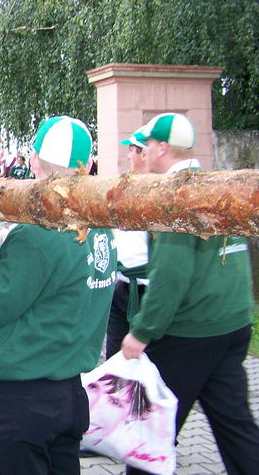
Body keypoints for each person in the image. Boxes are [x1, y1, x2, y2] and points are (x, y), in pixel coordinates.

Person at [0, 116, 117, 474]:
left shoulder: (39, 235)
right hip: (67, 399)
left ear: (33, 161)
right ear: (89, 165)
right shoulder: (100, 225)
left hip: (19, 404)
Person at [120, 112, 259, 474]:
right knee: (235, 426)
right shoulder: (214, 184)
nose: (144, 151)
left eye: (147, 144)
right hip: (233, 325)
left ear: (163, 147)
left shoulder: (175, 195)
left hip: (191, 334)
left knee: (152, 432)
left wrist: (142, 332)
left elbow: (172, 276)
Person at [106, 129, 150, 359]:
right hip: (121, 286)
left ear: (145, 154)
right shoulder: (124, 187)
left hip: (146, 291)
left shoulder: (157, 191)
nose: (128, 156)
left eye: (132, 150)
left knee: (151, 362)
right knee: (114, 359)